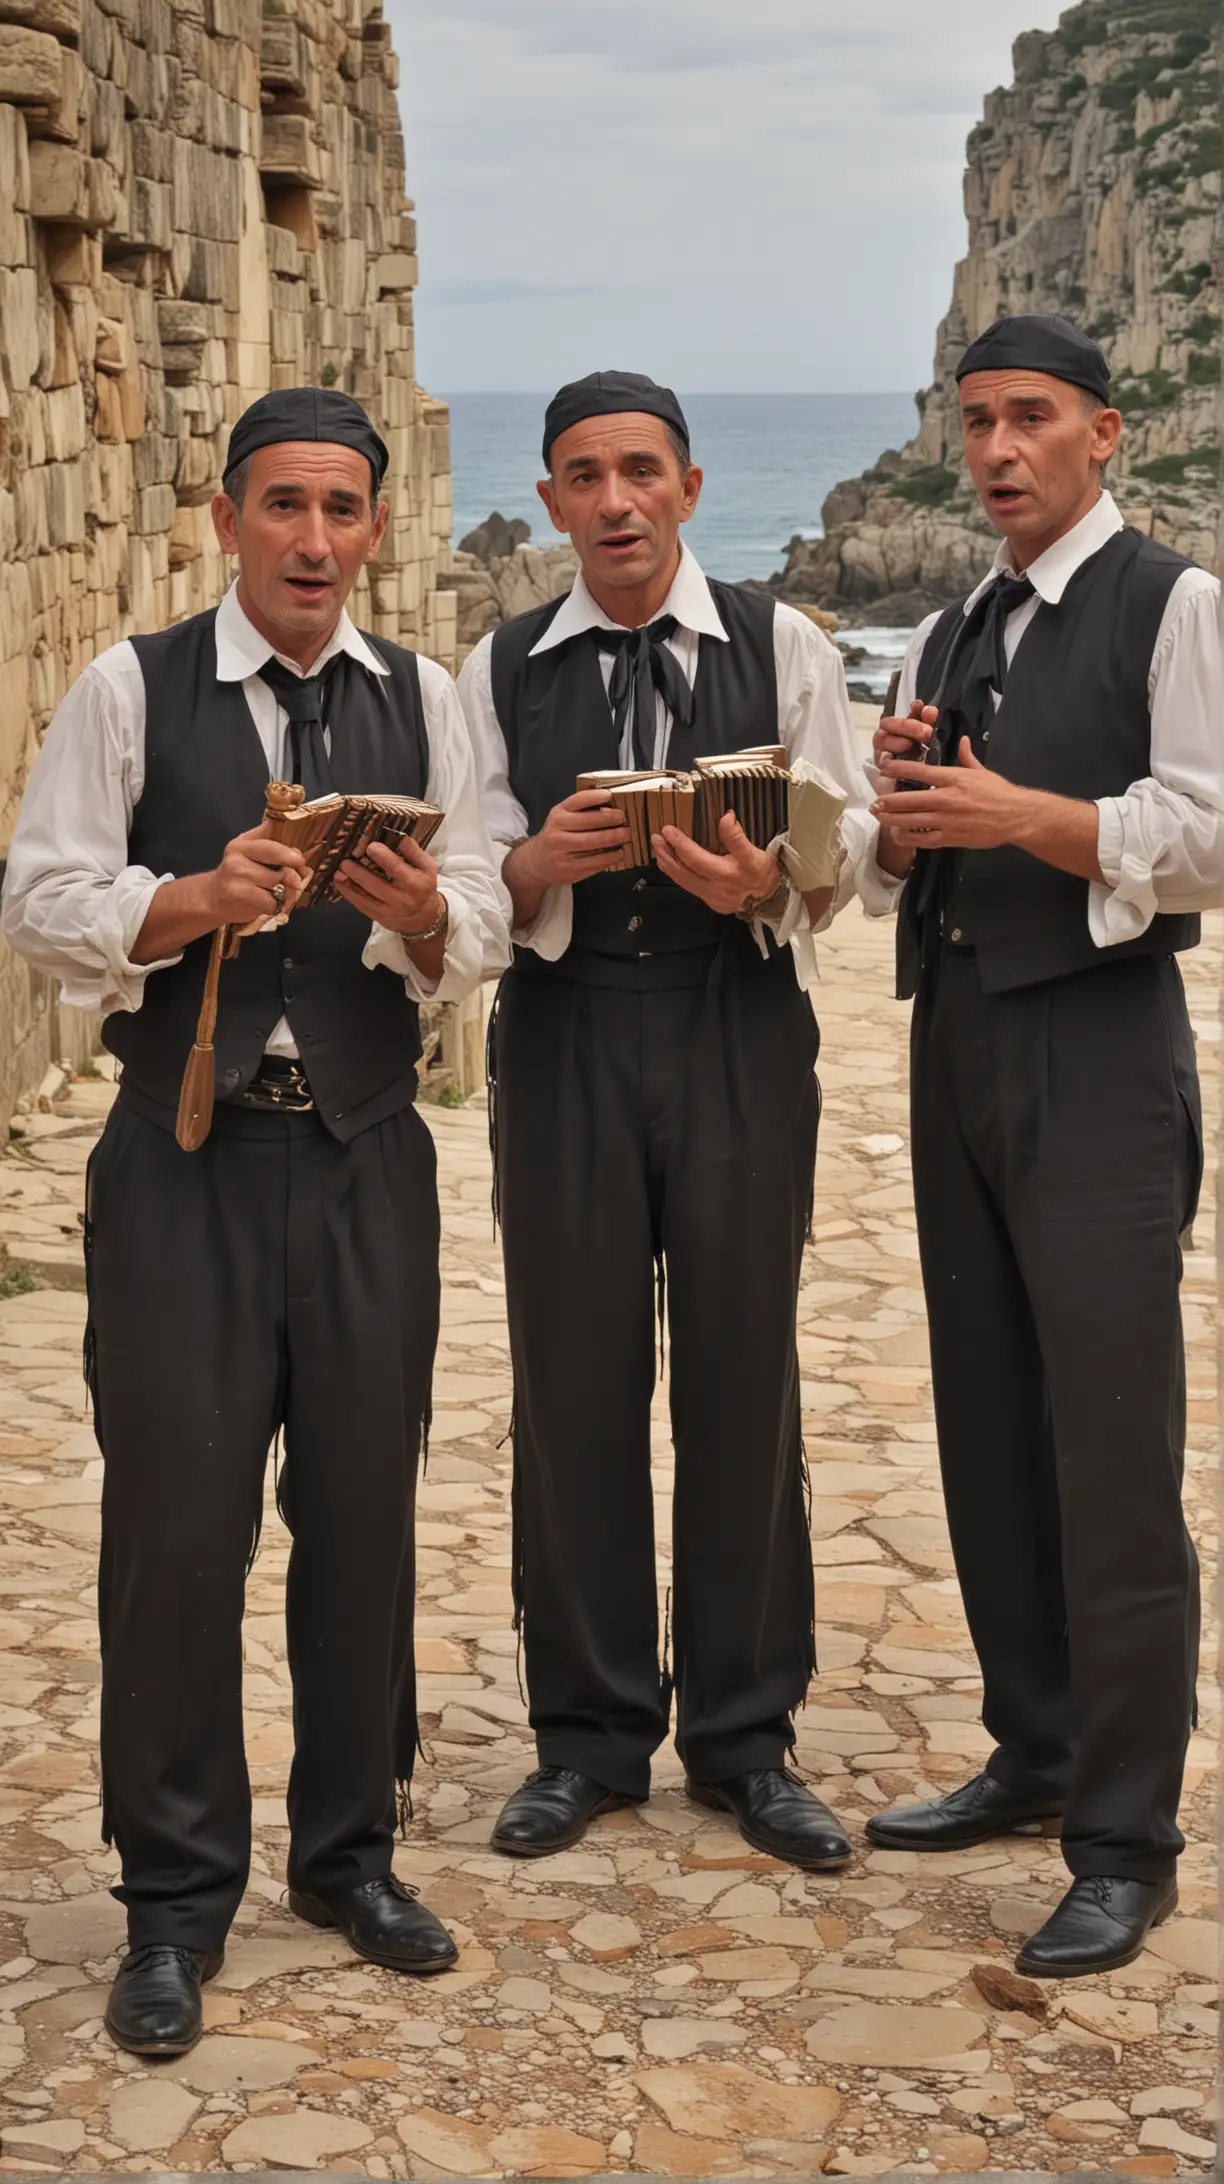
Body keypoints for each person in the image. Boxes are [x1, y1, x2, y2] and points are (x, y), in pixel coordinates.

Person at [1, 387, 511, 2055]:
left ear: (375, 528)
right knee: (178, 1534)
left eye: (342, 510)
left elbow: (492, 913)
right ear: (226, 520)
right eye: (282, 506)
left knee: (361, 1523)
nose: (312, 540)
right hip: (183, 1162)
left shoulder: (427, 698)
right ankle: (170, 1903)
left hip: (369, 1157)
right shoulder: (128, 687)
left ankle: (347, 1859)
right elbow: (39, 893)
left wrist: (434, 912)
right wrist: (188, 901)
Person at [458, 370, 903, 1868]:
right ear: (553, 501)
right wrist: (539, 867)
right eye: (583, 476)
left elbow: (847, 864)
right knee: (571, 1380)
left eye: (641, 471)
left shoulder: (784, 645)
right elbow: (465, 893)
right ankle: (585, 1738)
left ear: (691, 491)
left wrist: (764, 883)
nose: (616, 501)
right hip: (569, 1033)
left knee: (742, 1371)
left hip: (734, 1024)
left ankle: (744, 1736)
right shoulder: (499, 665)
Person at [867, 315, 1224, 1976]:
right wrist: (899, 804)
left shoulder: (1175, 605)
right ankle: (1034, 1749)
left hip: (1096, 1057)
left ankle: (1124, 1838)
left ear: (1107, 434)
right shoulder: (953, 621)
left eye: (1030, 420)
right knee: (991, 1421)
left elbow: (1211, 833)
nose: (997, 449)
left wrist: (1024, 815)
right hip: (961, 1042)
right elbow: (898, 867)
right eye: (977, 421)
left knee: (1111, 1455)